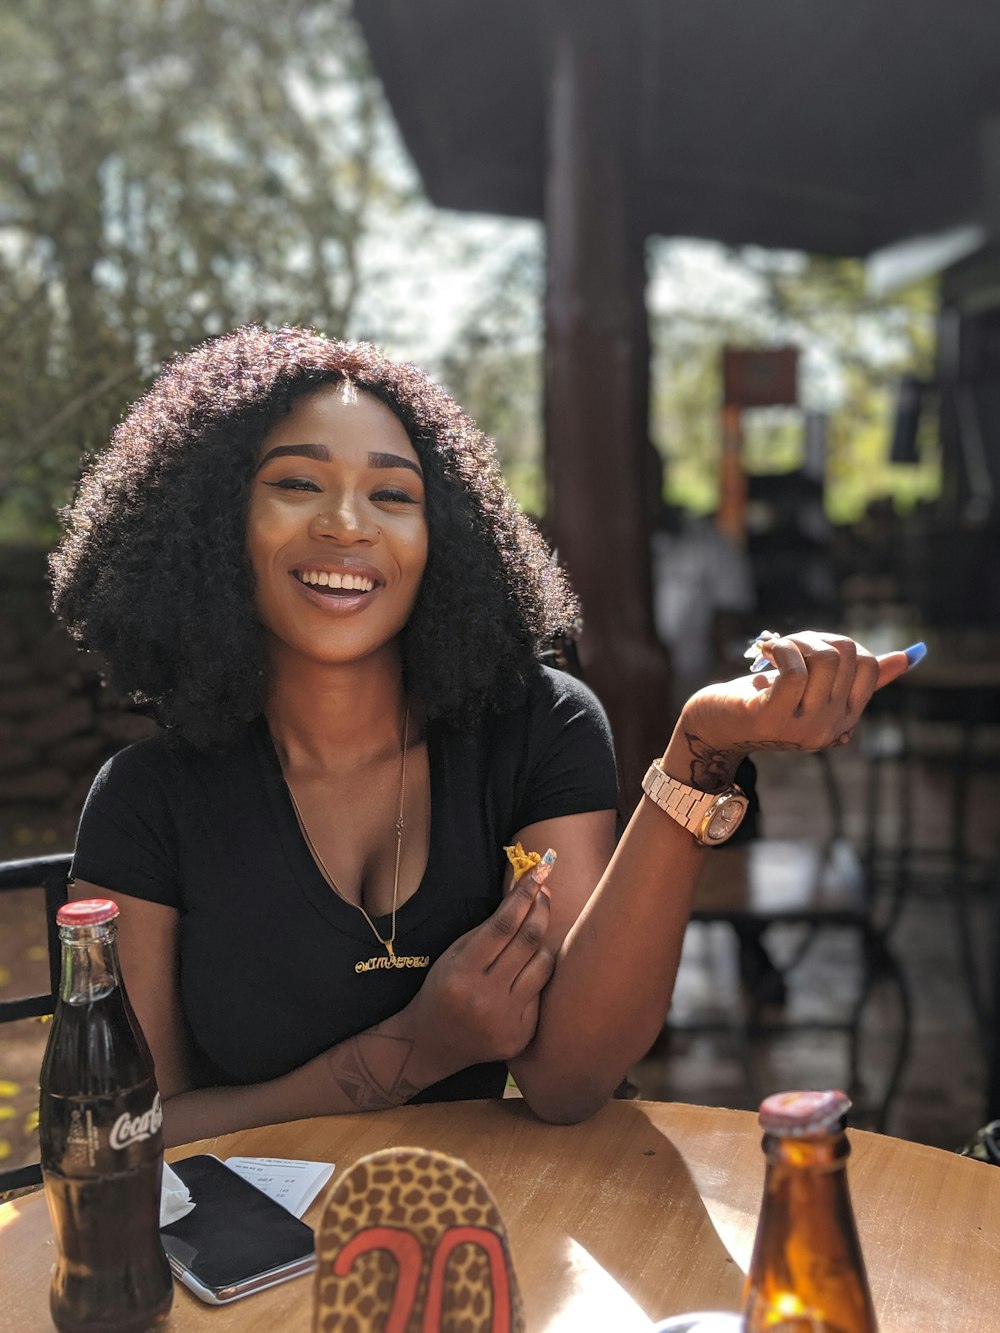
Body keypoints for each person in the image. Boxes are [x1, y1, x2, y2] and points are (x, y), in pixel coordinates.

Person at [50, 325, 911, 1148]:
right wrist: (416, 1049)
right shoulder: (146, 802)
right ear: (212, 526)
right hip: (250, 1288)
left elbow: (568, 1081)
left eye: (394, 494)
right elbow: (120, 1142)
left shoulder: (538, 728)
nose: (348, 524)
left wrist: (702, 748)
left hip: (481, 1250)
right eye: (297, 484)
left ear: (444, 542)